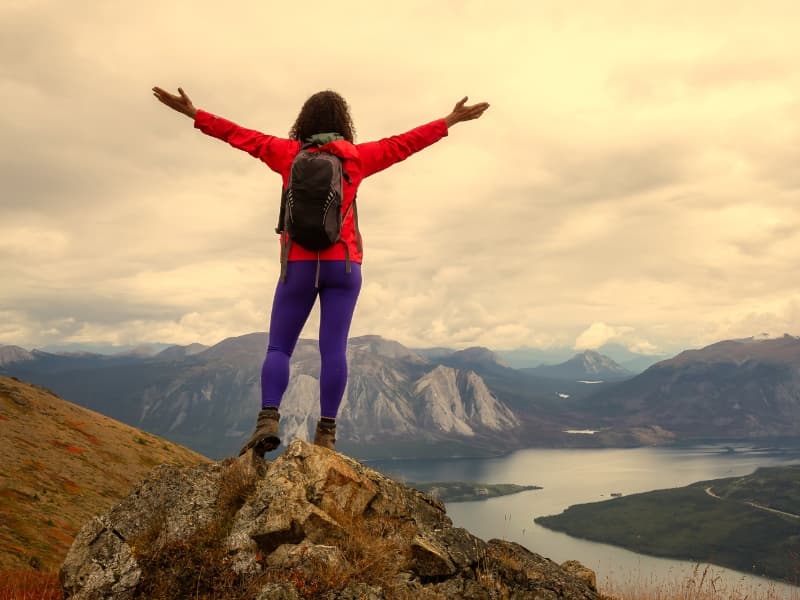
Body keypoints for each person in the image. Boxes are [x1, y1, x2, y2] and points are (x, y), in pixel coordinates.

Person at [152, 85, 489, 455]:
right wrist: (450, 121)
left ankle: (268, 419)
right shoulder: (357, 158)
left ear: (304, 122)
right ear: (344, 122)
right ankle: (326, 433)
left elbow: (238, 135)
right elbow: (404, 143)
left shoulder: (285, 154)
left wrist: (194, 113)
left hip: (297, 265)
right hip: (343, 266)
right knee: (334, 350)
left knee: (280, 346)